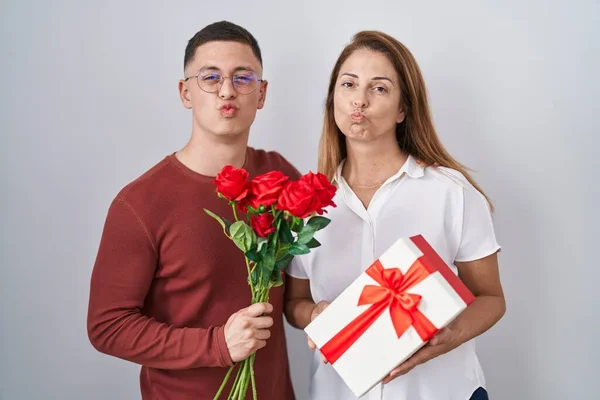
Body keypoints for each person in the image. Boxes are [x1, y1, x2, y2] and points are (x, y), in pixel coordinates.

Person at [284, 30, 506, 400]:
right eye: (349, 84)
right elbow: (294, 304)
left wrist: (449, 336)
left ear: (403, 108)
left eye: (380, 88)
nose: (360, 100)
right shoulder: (307, 204)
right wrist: (314, 316)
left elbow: (491, 298)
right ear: (332, 100)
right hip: (338, 391)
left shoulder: (451, 192)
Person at [87, 21, 299, 399]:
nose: (227, 91)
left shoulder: (278, 175)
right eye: (210, 77)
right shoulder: (140, 203)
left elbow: (307, 280)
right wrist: (216, 345)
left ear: (262, 93)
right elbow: (108, 326)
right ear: (185, 92)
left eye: (243, 77)